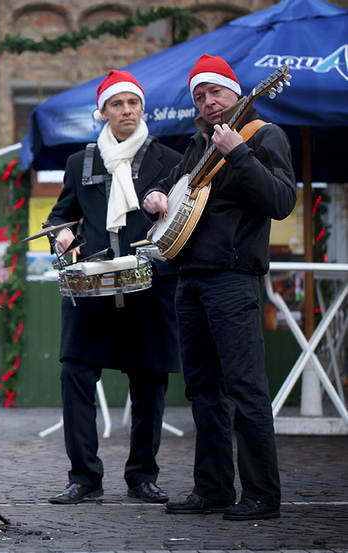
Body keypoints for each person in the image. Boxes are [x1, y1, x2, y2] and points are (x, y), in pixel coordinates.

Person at [143, 54, 295, 521]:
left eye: (216, 93)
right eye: (200, 97)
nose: (209, 103)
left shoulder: (264, 135)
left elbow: (281, 201)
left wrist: (239, 153)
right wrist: (154, 199)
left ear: (236, 91)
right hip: (189, 279)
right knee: (203, 390)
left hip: (233, 279)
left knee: (245, 388)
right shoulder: (196, 144)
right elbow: (170, 187)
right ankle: (212, 488)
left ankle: (262, 495)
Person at [44, 71, 182, 506]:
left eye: (133, 103)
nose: (126, 111)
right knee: (76, 374)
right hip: (93, 288)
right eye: (117, 104)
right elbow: (59, 217)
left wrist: (166, 209)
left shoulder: (171, 160)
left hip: (150, 285)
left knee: (149, 382)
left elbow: (186, 220)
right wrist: (61, 236)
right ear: (101, 112)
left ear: (143, 109)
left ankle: (142, 475)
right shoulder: (80, 162)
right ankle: (84, 476)